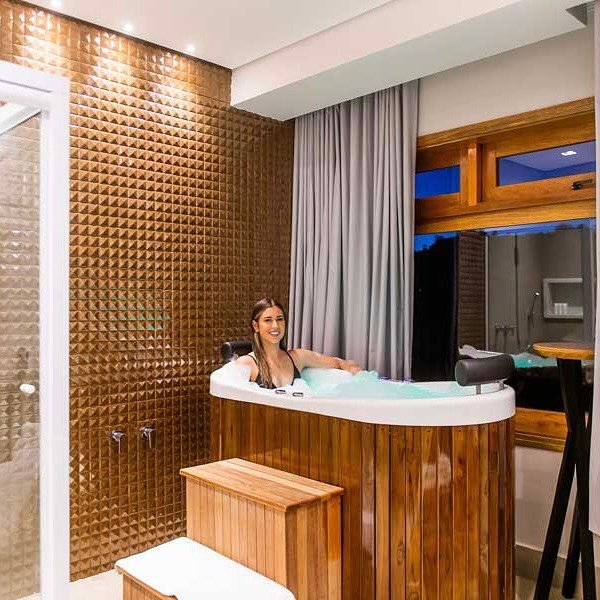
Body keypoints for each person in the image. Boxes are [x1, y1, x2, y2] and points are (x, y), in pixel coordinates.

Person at [236, 298, 360, 389]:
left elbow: (338, 363)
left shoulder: (297, 357)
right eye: (268, 320)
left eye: (279, 319)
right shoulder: (247, 363)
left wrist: (354, 370)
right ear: (256, 326)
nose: (275, 326)